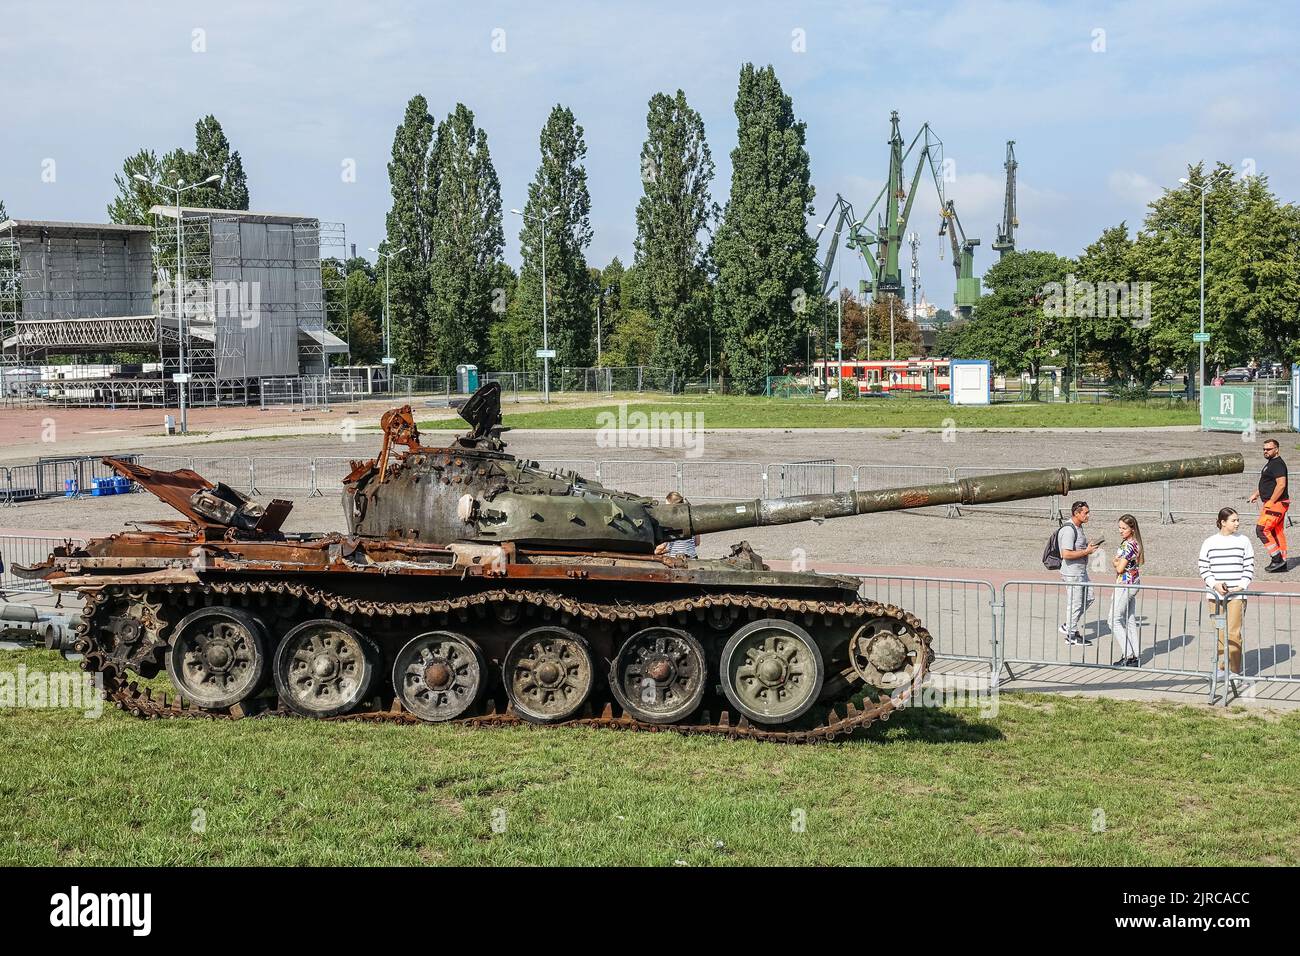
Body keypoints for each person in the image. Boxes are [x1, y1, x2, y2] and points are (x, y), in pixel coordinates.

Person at [1197, 507, 1255, 680]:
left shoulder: (1244, 540)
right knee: (1220, 632)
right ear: (1223, 522)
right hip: (1215, 595)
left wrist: (1241, 586)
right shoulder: (1209, 542)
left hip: (1236, 594)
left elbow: (1249, 565)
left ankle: (1234, 672)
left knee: (1233, 632)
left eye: (1238, 520)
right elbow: (1203, 566)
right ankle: (1221, 668)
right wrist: (1214, 584)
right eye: (1233, 520)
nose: (1237, 523)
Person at [1058, 501, 1102, 645]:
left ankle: (1069, 624)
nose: (1088, 515)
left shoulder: (1078, 527)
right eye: (1086, 513)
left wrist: (1087, 548)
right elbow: (1066, 554)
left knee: (1089, 597)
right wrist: (1086, 551)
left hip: (1081, 571)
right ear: (1076, 513)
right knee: (1075, 603)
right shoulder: (1069, 530)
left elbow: (1078, 548)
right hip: (1072, 573)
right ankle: (1071, 635)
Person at [1108, 514, 1144, 667]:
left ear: (1132, 529)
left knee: (1113, 619)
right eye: (1119, 527)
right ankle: (1134, 655)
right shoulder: (1132, 543)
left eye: (1124, 528)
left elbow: (1120, 566)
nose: (1120, 531)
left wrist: (1116, 563)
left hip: (1125, 583)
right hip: (1131, 582)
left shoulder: (1129, 545)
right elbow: (1116, 561)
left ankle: (1128, 654)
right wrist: (1116, 562)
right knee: (1129, 619)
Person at [1248, 438, 1288, 573]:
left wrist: (1271, 501)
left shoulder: (1277, 464)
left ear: (1276, 449)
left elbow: (1281, 484)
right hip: (1276, 503)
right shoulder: (1271, 463)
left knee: (1262, 530)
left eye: (1268, 449)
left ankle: (1277, 559)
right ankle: (1282, 562)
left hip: (1276, 504)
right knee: (1276, 532)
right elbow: (1268, 483)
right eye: (1264, 449)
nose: (1265, 451)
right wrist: (1256, 494)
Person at [654, 491, 699, 558]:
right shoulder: (691, 518)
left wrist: (654, 551)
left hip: (675, 559)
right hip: (692, 557)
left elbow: (663, 545)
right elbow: (697, 542)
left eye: (667, 505)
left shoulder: (670, 522)